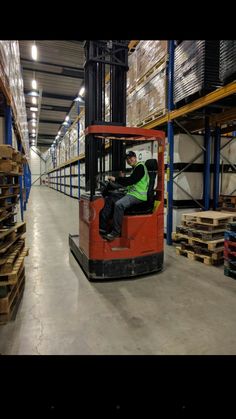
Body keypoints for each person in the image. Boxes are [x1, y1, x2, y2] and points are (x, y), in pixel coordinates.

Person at [99, 151, 149, 241]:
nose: (129, 160)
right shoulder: (135, 169)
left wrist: (116, 179)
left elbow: (130, 181)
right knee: (110, 198)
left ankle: (115, 232)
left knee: (119, 204)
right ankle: (102, 227)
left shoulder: (140, 167)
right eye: (127, 159)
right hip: (131, 193)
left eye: (131, 158)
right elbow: (130, 183)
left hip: (138, 196)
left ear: (135, 157)